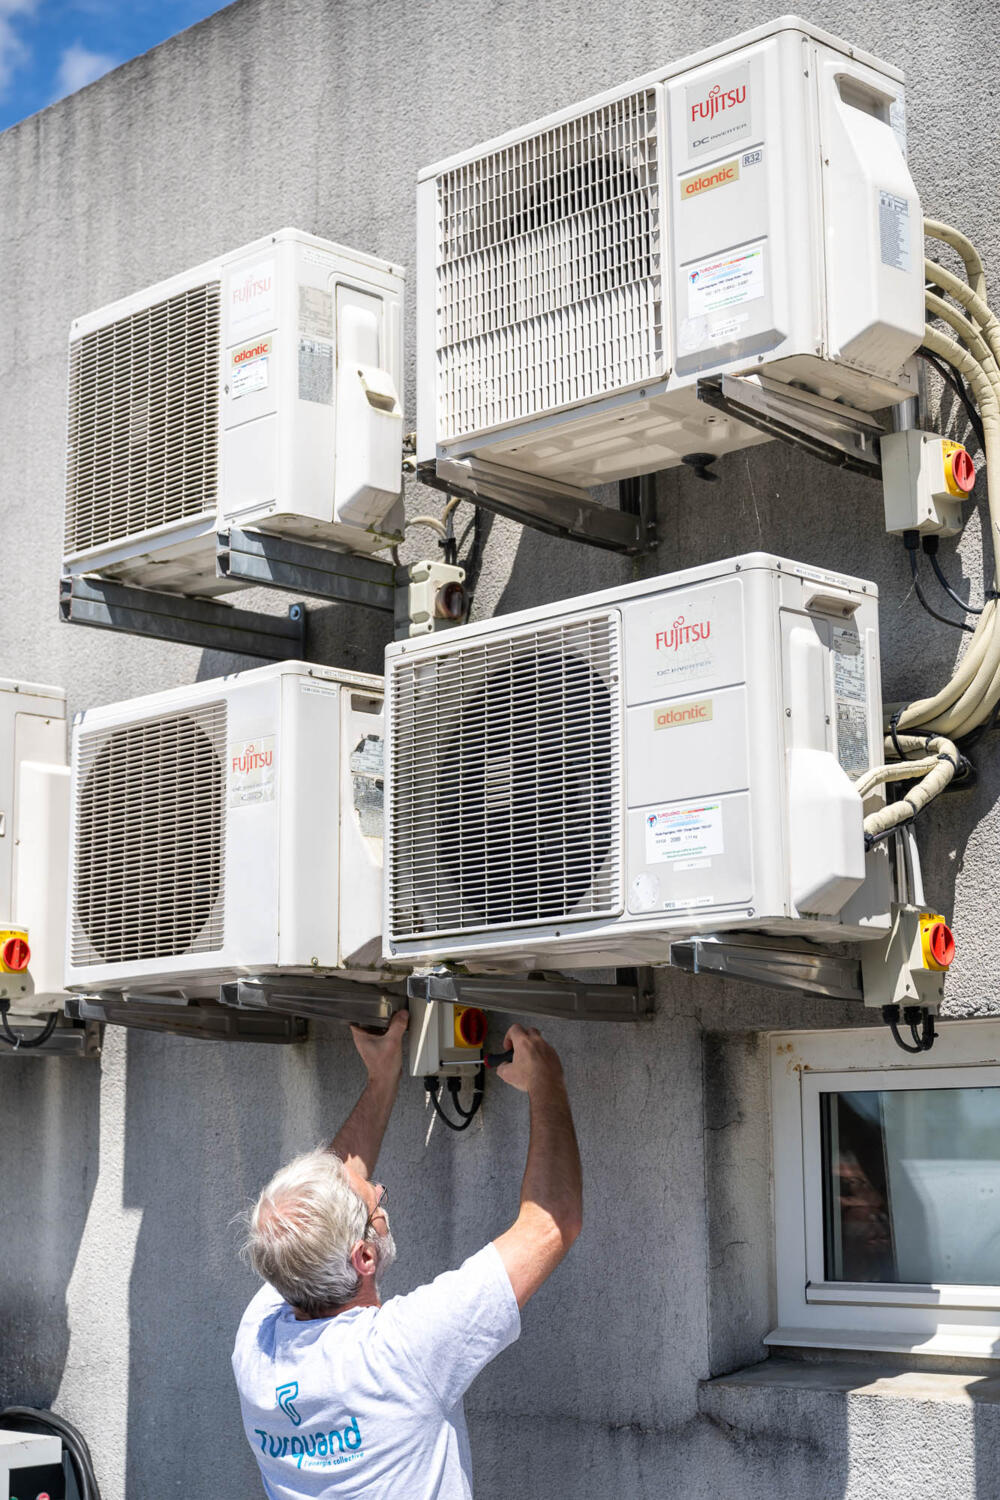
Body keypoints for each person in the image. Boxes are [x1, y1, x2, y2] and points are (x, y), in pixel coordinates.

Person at [232, 1010, 582, 1499]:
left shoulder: (258, 1345)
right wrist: (546, 1078)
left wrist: (382, 1077)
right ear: (364, 1258)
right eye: (374, 1201)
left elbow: (314, 1210)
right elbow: (550, 1223)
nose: (378, 1191)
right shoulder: (400, 1352)